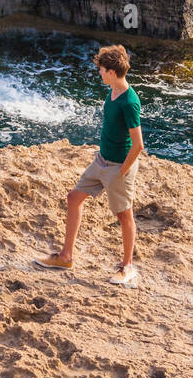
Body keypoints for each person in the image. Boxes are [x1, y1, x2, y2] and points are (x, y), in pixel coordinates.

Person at [36, 44, 143, 285]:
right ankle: (66, 257)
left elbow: (138, 145)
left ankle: (128, 267)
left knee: (124, 216)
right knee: (73, 198)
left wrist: (122, 172)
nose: (99, 73)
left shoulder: (129, 102)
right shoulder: (113, 91)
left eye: (102, 70)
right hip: (101, 160)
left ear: (112, 73)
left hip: (118, 166)